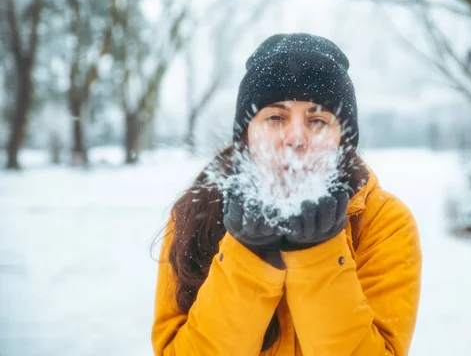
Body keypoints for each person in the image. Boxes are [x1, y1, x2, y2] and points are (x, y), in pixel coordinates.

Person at [151, 33, 422, 355]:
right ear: (246, 135)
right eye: (275, 118)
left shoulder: (384, 221)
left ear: (342, 140)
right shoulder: (195, 214)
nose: (296, 138)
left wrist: (318, 253)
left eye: (318, 120)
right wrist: (246, 254)